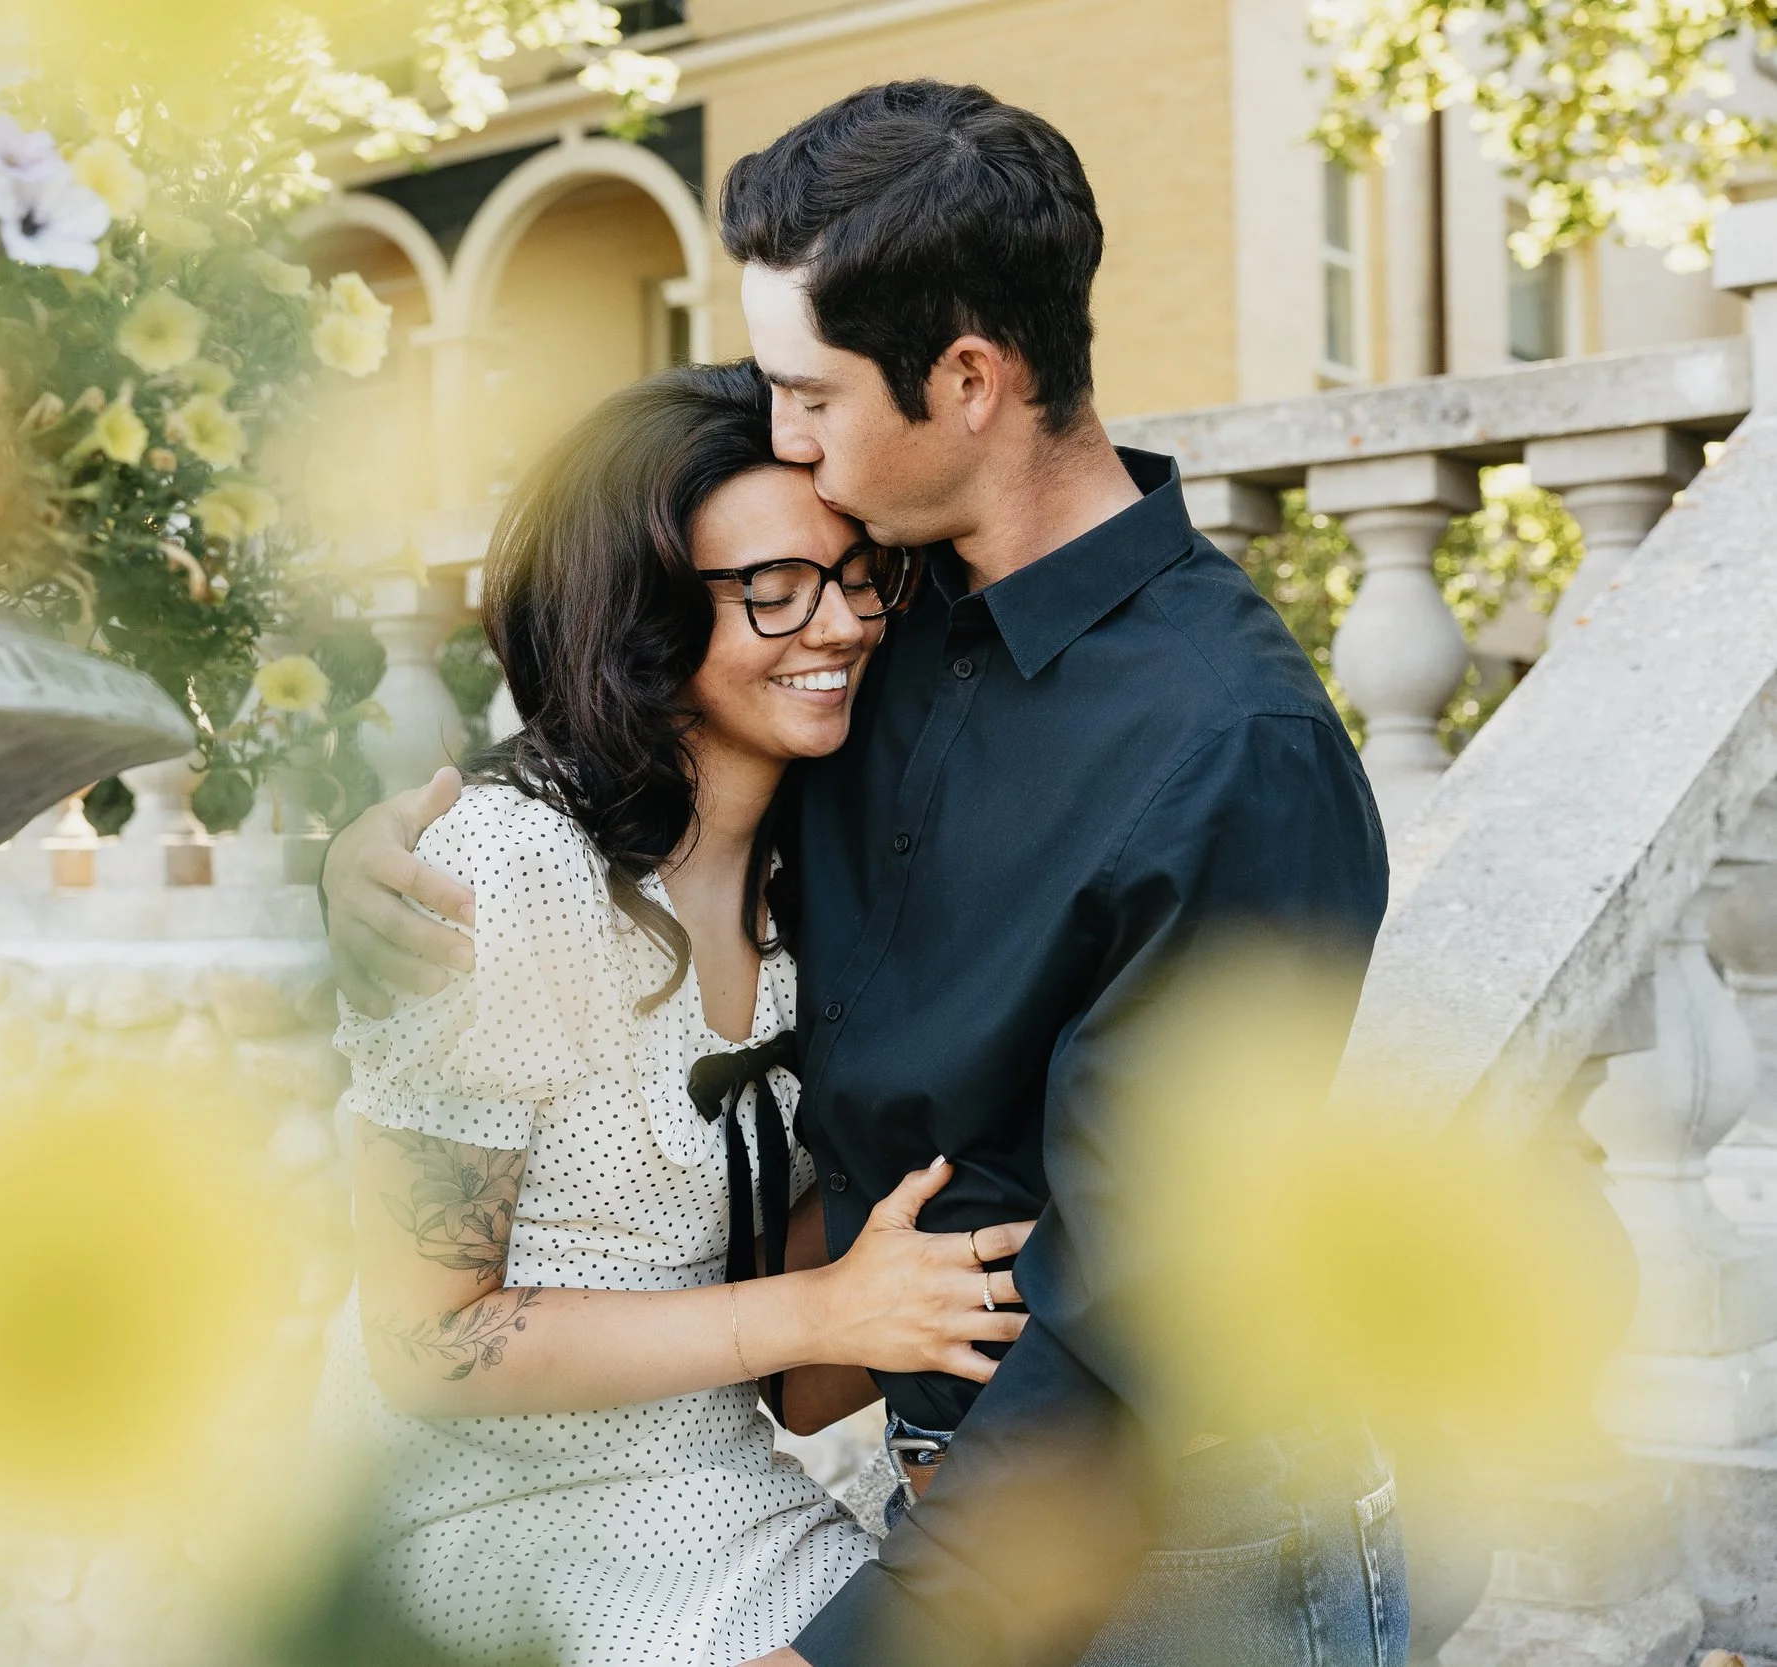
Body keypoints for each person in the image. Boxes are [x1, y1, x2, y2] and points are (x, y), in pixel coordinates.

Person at [323, 81, 1404, 1667]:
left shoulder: (1231, 749)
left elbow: (1139, 1306)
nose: (787, 434)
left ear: (968, 378)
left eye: (810, 389)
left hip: (1192, 1557)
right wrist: (372, 872)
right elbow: (624, 716)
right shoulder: (873, 638)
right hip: (921, 1511)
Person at [317, 361, 1037, 1667]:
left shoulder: (822, 899)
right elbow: (427, 1338)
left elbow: (802, 1382)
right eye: (771, 587)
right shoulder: (513, 871)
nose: (839, 625)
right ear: (634, 615)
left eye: (857, 573)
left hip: (725, 1500)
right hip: (476, 1535)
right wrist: (826, 1311)